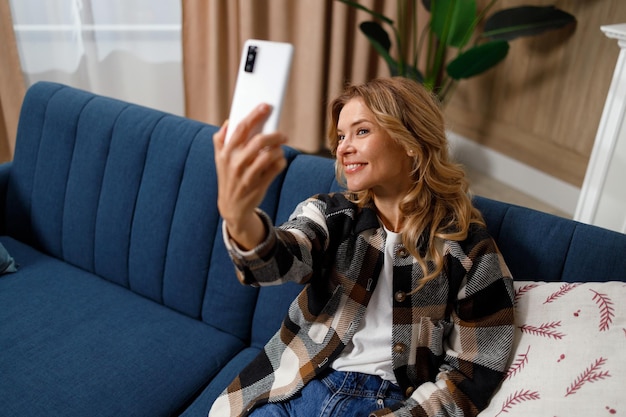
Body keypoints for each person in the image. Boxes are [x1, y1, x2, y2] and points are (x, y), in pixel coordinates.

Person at [209, 77, 515, 417]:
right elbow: (281, 258)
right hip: (298, 385)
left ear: (410, 141)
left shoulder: (468, 248)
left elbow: (473, 370)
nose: (342, 148)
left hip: (387, 404)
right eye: (341, 136)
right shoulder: (330, 214)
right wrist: (238, 219)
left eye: (361, 132)